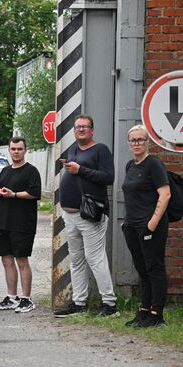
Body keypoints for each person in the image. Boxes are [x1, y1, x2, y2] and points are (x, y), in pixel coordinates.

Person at [55, 114, 118, 318]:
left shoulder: (100, 150)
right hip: (70, 214)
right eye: (77, 127)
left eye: (85, 127)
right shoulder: (73, 149)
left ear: (92, 130)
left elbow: (108, 177)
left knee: (95, 258)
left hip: (90, 215)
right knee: (76, 260)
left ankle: (110, 305)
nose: (80, 130)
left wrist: (80, 169)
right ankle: (79, 302)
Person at [122, 125, 170, 328]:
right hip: (132, 226)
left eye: (141, 140)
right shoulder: (130, 165)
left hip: (150, 226)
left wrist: (151, 223)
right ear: (129, 143)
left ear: (147, 142)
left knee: (154, 268)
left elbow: (165, 194)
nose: (137, 143)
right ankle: (144, 310)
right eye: (133, 140)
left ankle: (156, 314)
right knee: (142, 269)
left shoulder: (154, 164)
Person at [0, 137, 41, 313]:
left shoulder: (31, 171)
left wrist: (14, 194)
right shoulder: (5, 171)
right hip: (4, 222)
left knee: (21, 260)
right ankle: (12, 297)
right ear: (9, 150)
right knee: (6, 260)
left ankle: (26, 298)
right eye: (13, 149)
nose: (16, 152)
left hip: (23, 223)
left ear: (25, 150)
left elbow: (34, 193)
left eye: (19, 149)